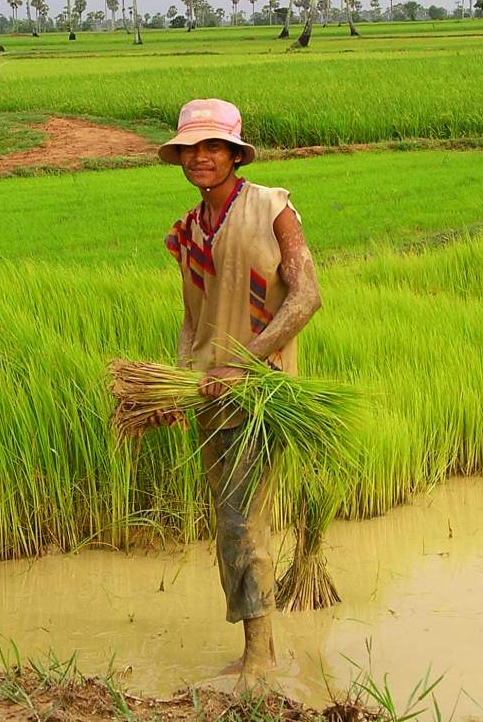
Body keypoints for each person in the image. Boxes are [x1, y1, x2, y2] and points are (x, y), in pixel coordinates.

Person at [157, 97, 322, 690]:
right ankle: (262, 648)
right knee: (228, 520)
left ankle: (259, 661)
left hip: (260, 395)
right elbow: (191, 317)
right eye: (190, 148)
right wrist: (179, 382)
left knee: (240, 518)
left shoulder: (273, 208)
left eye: (212, 147)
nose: (200, 158)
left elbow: (306, 297)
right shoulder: (189, 230)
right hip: (208, 392)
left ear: (233, 153)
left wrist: (245, 363)